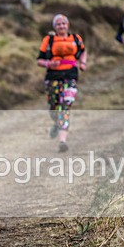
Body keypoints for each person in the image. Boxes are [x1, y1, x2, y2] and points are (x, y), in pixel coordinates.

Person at [37, 14, 87, 153]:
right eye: (58, 24)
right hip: (53, 76)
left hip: (70, 75)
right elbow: (39, 60)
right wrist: (49, 63)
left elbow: (83, 52)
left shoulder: (76, 39)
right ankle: (56, 122)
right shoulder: (49, 40)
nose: (61, 26)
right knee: (54, 107)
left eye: (64, 23)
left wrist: (82, 63)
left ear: (68, 25)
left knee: (65, 106)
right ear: (54, 26)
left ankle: (62, 141)